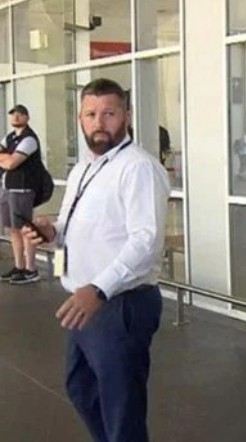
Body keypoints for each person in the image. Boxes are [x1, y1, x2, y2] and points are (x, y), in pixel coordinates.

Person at [23, 78, 170, 441]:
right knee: (82, 391)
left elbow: (146, 241)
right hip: (85, 302)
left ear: (126, 116)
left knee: (122, 408)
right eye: (91, 114)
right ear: (80, 120)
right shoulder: (84, 167)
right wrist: (51, 232)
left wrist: (99, 289)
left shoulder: (137, 167)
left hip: (118, 303)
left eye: (109, 113)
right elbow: (77, 224)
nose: (99, 122)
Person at [0, 104, 44, 285]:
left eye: (20, 115)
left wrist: (6, 158)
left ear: (27, 118)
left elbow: (12, 164)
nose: (16, 118)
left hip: (23, 189)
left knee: (25, 229)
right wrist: (6, 158)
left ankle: (31, 269)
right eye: (13, 115)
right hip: (8, 188)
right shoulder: (9, 137)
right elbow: (7, 159)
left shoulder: (29, 139)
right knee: (12, 229)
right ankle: (19, 266)